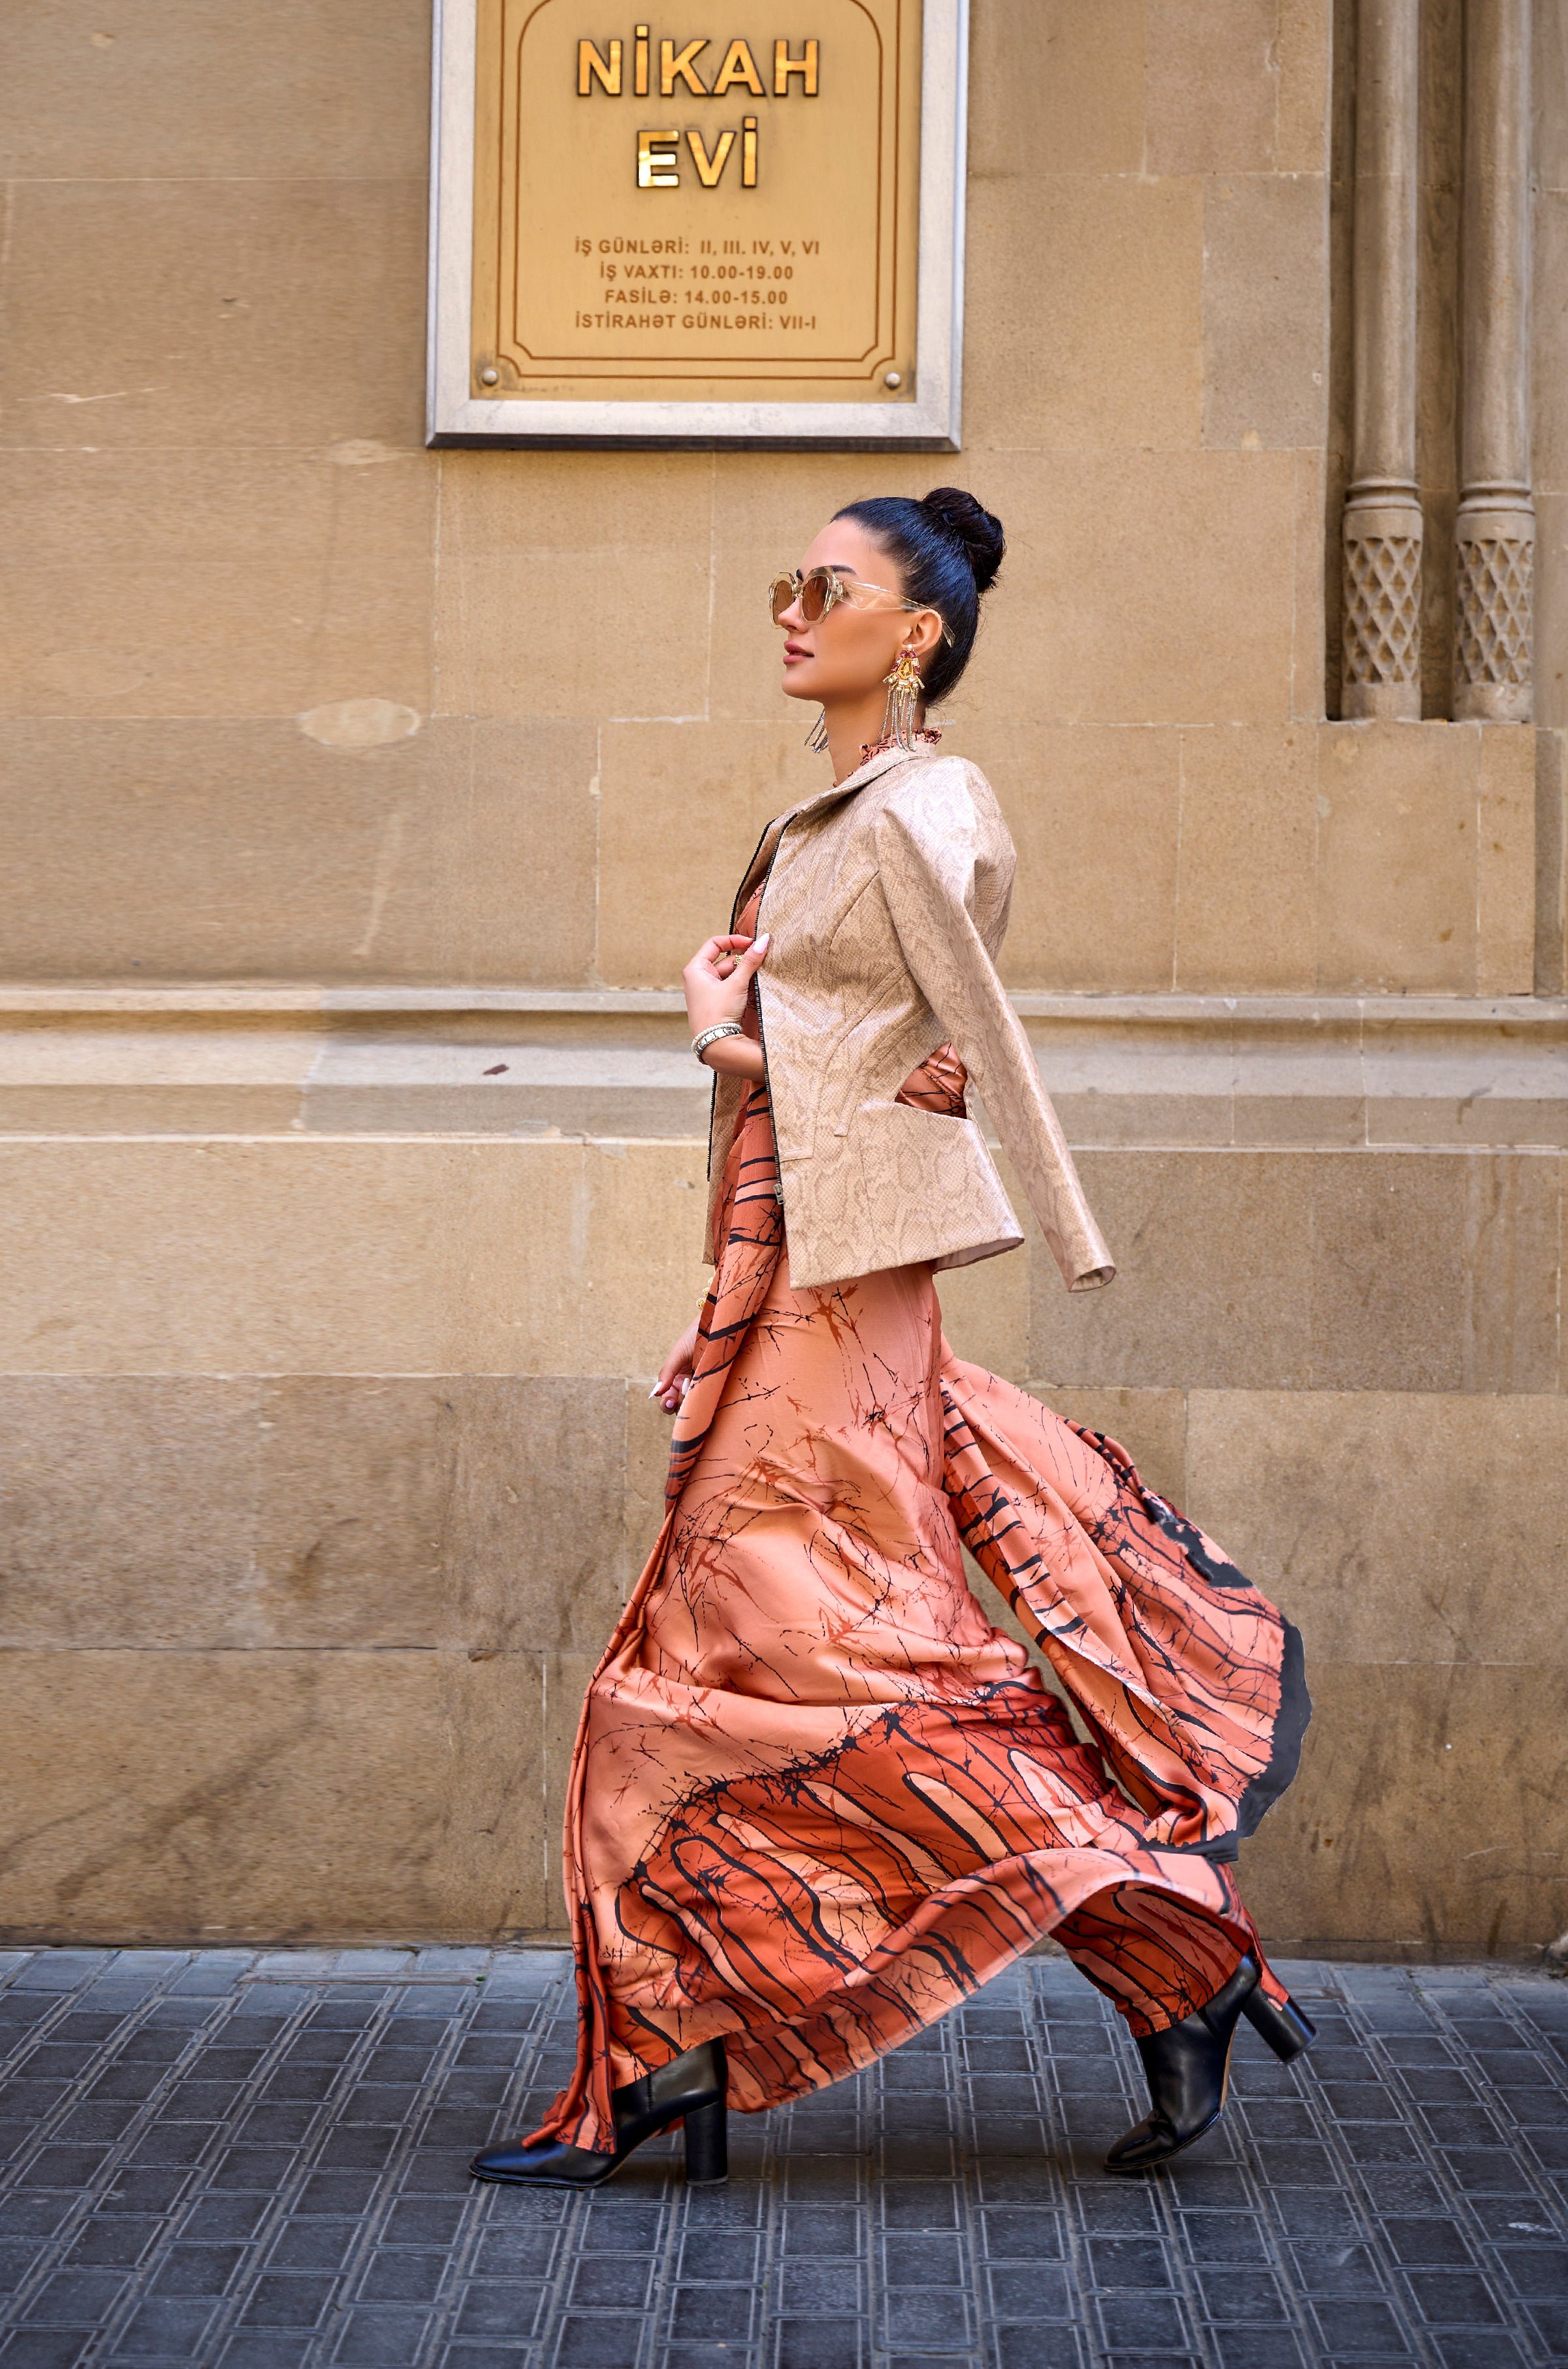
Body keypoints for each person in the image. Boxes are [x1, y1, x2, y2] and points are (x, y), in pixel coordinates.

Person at [471, 489, 1312, 2191]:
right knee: (694, 1691)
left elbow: (941, 1051)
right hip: (806, 1280)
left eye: (827, 588)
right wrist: (728, 1311)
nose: (791, 610)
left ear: (913, 633)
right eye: (789, 584)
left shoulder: (929, 805)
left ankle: (1166, 1945)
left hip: (851, 1288)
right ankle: (681, 2060)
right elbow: (873, 1051)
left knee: (814, 1681)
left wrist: (730, 1035)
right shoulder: (844, 806)